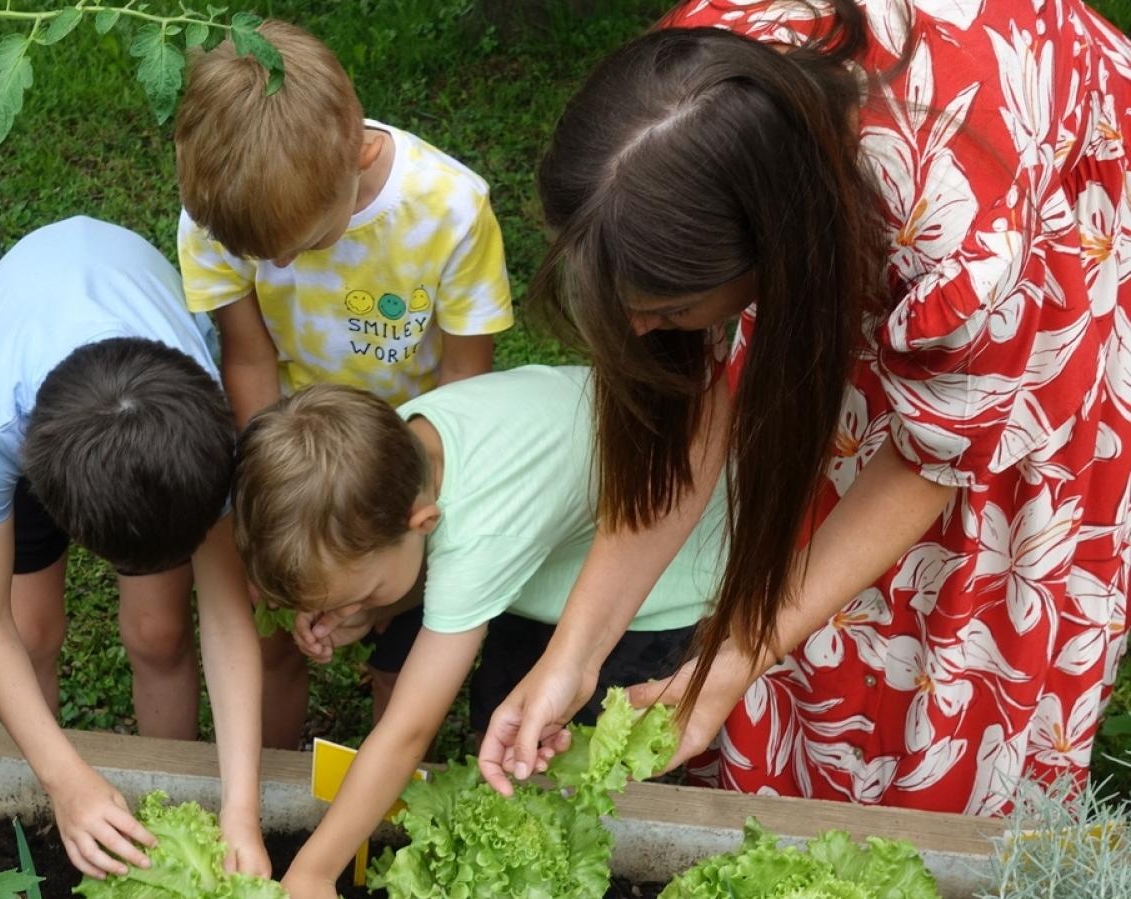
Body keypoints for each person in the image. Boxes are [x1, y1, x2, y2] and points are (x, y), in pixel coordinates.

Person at [481, 0, 1131, 817]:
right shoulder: (686, 100)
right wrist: (570, 660)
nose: (641, 330)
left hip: (1044, 203)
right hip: (879, 214)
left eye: (670, 311)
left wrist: (734, 658)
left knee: (961, 583)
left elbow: (933, 460)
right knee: (804, 549)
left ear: (776, 248)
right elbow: (684, 414)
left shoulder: (961, 241)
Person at [231, 367, 726, 899]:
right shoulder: (394, 450)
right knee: (511, 722)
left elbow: (409, 729)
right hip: (557, 548)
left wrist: (312, 873)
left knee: (594, 768)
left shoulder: (484, 537)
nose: (353, 611)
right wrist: (363, 606)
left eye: (361, 595)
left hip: (660, 582)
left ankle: (579, 897)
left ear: (423, 524)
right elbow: (440, 568)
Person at [173, 19, 516, 731]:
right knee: (277, 640)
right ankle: (277, 774)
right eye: (266, 258)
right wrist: (273, 499)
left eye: (304, 245)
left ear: (355, 150)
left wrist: (396, 544)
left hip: (408, 464)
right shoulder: (216, 218)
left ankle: (389, 793)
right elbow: (250, 357)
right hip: (295, 450)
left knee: (402, 658)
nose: (286, 269)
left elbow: (464, 394)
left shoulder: (451, 210)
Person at [0, 216, 268, 880]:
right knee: (30, 631)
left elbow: (229, 616)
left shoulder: (204, 431)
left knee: (159, 630)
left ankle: (163, 799)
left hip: (141, 375)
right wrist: (67, 780)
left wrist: (239, 811)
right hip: (31, 354)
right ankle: (57, 796)